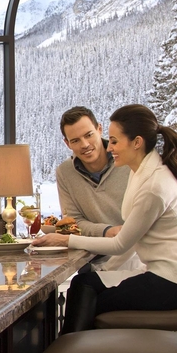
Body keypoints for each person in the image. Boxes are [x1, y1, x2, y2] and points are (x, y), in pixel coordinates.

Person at [33, 104, 177, 333]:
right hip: (160, 273)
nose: (109, 147)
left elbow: (120, 245)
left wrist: (65, 240)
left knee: (92, 306)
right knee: (83, 283)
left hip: (172, 281)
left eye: (115, 141)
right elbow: (77, 220)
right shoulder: (141, 171)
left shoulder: (153, 185)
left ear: (136, 142)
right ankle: (68, 352)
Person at [55, 106, 138, 271]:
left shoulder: (129, 162)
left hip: (135, 255)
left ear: (99, 129)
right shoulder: (64, 172)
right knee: (80, 288)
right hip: (93, 258)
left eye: (88, 135)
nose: (84, 145)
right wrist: (107, 231)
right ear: (67, 143)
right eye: (75, 140)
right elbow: (74, 223)